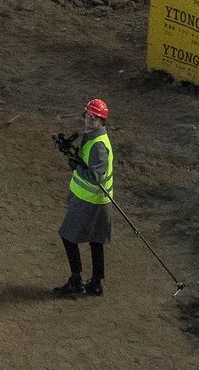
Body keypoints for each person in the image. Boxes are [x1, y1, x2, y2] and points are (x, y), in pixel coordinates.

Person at [54, 98, 115, 298]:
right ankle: (96, 283)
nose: (89, 120)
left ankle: (76, 279)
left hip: (89, 200)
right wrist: (74, 160)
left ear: (102, 121)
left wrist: (76, 164)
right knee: (96, 240)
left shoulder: (97, 145)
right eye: (88, 116)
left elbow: (94, 177)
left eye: (94, 118)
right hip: (99, 201)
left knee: (68, 235)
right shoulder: (93, 137)